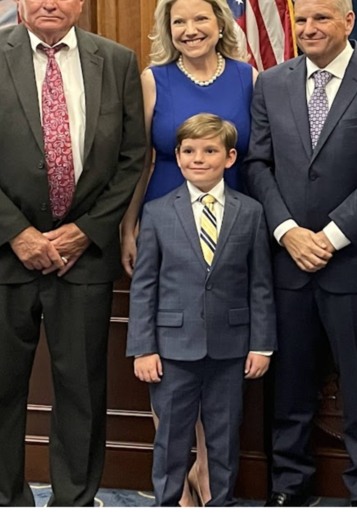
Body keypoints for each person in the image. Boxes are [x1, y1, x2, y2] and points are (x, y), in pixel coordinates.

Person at [0, 0, 146, 506]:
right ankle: (2, 498)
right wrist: (19, 234)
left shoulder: (118, 61)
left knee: (81, 390)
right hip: (3, 255)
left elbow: (132, 157)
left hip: (84, 257)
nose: (50, 2)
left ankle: (74, 498)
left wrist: (86, 230)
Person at [245, 0, 357, 507]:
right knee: (290, 390)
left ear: (348, 21)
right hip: (287, 262)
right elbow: (257, 164)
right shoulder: (271, 82)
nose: (309, 28)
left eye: (321, 18)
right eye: (301, 19)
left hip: (355, 264)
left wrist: (332, 236)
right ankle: (288, 492)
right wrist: (289, 232)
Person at [119, 0, 257, 506]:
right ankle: (180, 472)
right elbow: (139, 160)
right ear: (167, 30)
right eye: (179, 22)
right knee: (175, 348)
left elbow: (260, 154)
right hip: (164, 220)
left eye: (200, 19)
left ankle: (208, 469)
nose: (190, 30)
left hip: (233, 224)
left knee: (217, 344)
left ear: (220, 23)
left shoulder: (249, 77)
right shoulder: (154, 79)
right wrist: (128, 225)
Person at [126, 113, 275, 507]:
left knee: (224, 438)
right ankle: (168, 501)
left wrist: (262, 345)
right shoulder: (157, 212)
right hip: (172, 349)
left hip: (231, 349)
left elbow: (260, 285)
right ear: (176, 156)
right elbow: (144, 287)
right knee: (171, 438)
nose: (198, 158)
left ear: (229, 158)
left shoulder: (251, 212)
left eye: (209, 150)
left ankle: (220, 502)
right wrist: (143, 348)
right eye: (189, 151)